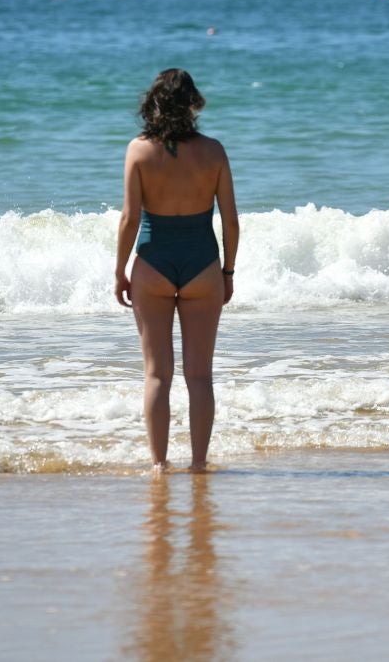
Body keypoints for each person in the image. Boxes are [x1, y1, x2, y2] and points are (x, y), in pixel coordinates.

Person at [116, 69, 239, 474]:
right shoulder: (214, 151)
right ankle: (199, 464)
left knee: (157, 376)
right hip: (203, 265)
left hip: (152, 264)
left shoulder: (138, 151)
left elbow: (130, 219)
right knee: (200, 376)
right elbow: (231, 222)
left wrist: (120, 271)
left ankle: (158, 465)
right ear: (193, 105)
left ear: (152, 104)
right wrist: (227, 271)